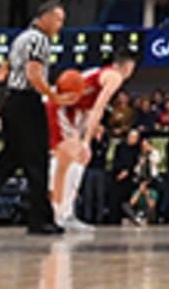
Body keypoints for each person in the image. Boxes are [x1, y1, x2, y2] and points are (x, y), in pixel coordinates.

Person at [0, 0, 74, 236]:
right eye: (59, 19)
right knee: (37, 162)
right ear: (46, 17)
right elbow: (33, 73)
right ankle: (40, 220)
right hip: (27, 103)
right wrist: (54, 96)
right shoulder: (40, 40)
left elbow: (8, 65)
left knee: (8, 162)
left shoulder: (22, 37)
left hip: (12, 102)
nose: (61, 25)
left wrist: (4, 73)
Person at [46, 51, 138, 231]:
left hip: (73, 109)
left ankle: (65, 212)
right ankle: (58, 212)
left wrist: (83, 136)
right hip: (60, 106)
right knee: (68, 160)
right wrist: (86, 142)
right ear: (128, 67)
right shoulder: (114, 77)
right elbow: (98, 108)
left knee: (77, 161)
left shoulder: (100, 74)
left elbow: (88, 109)